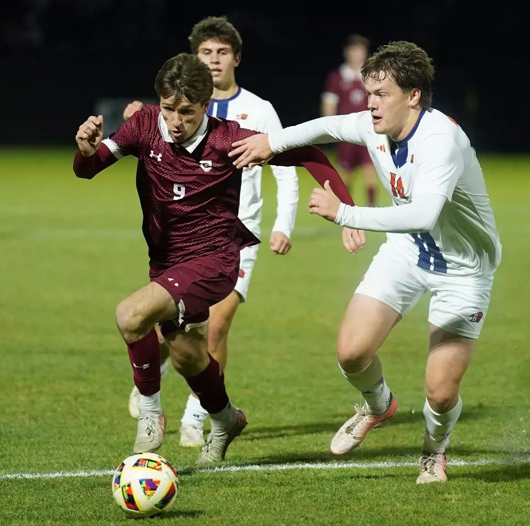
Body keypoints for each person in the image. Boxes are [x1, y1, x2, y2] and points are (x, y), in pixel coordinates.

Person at [231, 41, 501, 484]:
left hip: (463, 268)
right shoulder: (372, 126)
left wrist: (345, 214)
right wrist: (269, 142)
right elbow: (326, 126)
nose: (370, 104)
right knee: (352, 351)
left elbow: (424, 214)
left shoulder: (441, 140)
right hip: (408, 250)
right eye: (369, 92)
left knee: (439, 390)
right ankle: (379, 405)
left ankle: (433, 451)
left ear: (413, 95)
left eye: (382, 94)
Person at [73, 53, 354, 463]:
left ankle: (150, 415)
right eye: (168, 108)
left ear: (206, 106)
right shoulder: (145, 125)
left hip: (215, 259)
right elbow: (87, 169)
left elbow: (310, 154)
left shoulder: (229, 140)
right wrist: (85, 149)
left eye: (186, 111)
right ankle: (225, 419)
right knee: (187, 352)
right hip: (166, 261)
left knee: (131, 316)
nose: (174, 120)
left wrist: (347, 213)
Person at [122, 16, 301, 448]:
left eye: (222, 52)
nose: (214, 60)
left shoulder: (257, 110)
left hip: (237, 238)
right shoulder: (177, 109)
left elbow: (288, 164)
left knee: (216, 328)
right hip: (180, 240)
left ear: (236, 58)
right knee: (178, 335)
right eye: (206, 53)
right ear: (195, 59)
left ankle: (193, 417)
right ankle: (162, 372)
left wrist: (284, 223)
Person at [322, 34, 380, 207]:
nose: (356, 54)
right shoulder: (337, 77)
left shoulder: (372, 76)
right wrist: (330, 128)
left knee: (371, 176)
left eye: (360, 51)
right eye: (353, 50)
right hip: (347, 134)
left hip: (370, 133)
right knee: (345, 177)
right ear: (347, 52)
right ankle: (345, 210)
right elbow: (329, 104)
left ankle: (372, 211)